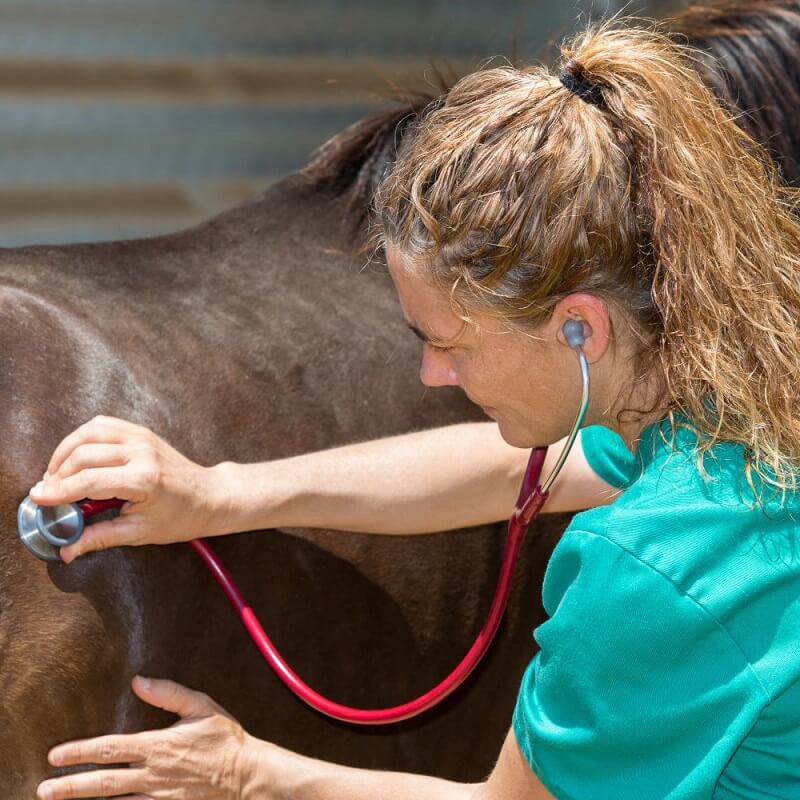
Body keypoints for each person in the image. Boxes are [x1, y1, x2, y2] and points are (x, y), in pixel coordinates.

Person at [32, 19, 800, 800]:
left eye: (450, 343)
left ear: (581, 327)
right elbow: (509, 468)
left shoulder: (652, 567)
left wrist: (247, 774)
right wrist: (221, 492)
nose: (433, 375)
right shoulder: (724, 399)